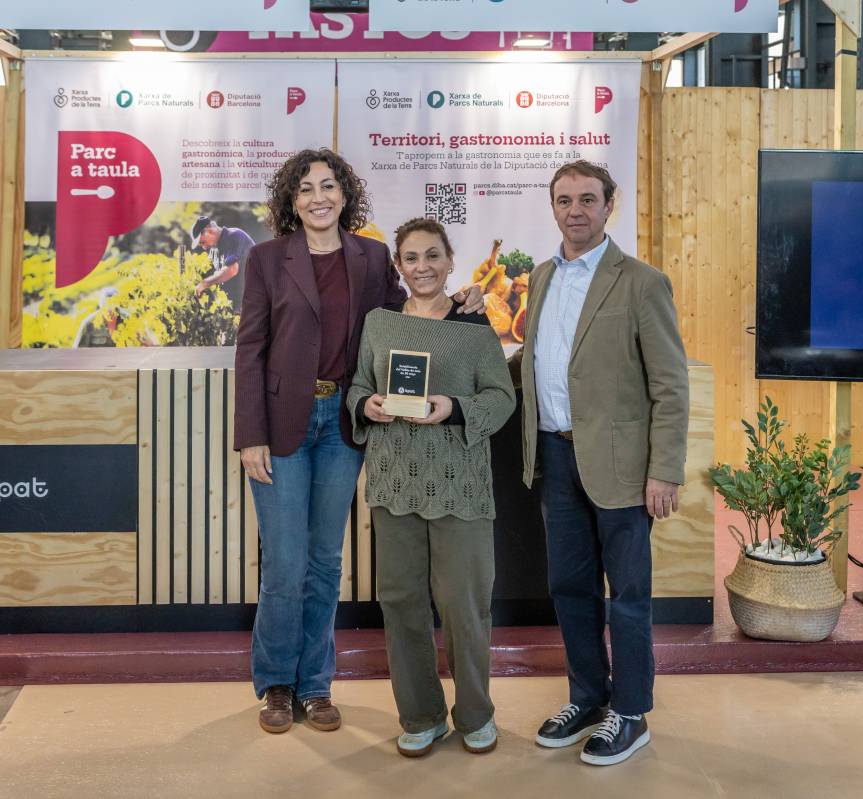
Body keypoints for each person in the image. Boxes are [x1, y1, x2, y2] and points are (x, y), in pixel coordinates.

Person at [233, 148, 483, 735]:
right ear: (291, 201)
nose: (318, 197)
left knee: (324, 561)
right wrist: (250, 436)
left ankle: (316, 687)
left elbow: (408, 312)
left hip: (343, 423)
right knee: (286, 562)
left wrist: (462, 301)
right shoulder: (269, 260)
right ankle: (276, 684)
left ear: (345, 195)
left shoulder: (370, 257)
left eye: (328, 186)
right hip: (282, 424)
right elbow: (250, 350)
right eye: (305, 189)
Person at [511, 161, 689, 766]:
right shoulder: (539, 279)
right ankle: (588, 697)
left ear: (609, 206)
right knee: (569, 588)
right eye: (564, 200)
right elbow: (537, 365)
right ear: (553, 208)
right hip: (555, 457)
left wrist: (663, 468)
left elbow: (670, 384)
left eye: (588, 199)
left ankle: (631, 711)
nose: (576, 210)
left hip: (622, 466)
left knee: (629, 595)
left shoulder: (640, 282)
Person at [347, 218, 515, 758]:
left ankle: (475, 713)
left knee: (464, 604)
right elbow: (359, 385)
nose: (422, 267)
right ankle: (419, 714)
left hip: (460, 484)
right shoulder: (378, 323)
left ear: (449, 262)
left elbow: (501, 397)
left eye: (432, 257)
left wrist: (454, 408)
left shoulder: (474, 325)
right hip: (393, 482)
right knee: (400, 603)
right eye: (412, 258)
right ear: (400, 266)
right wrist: (365, 405)